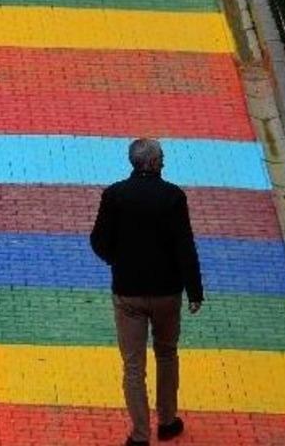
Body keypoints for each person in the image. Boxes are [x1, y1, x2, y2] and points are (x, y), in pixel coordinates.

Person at [90, 138, 203, 446]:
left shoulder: (114, 195)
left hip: (128, 292)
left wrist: (119, 261)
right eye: (162, 157)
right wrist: (194, 290)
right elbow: (184, 246)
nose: (163, 162)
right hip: (167, 292)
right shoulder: (173, 197)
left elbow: (99, 240)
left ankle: (140, 435)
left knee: (133, 366)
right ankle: (167, 422)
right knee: (167, 355)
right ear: (152, 163)